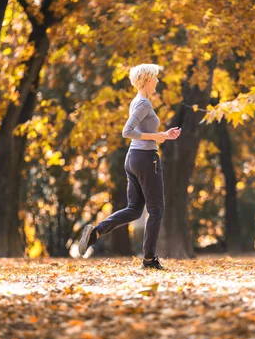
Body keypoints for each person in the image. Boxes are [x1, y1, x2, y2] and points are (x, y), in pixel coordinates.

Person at [77, 64, 181, 269]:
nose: (158, 82)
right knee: (156, 209)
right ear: (148, 80)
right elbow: (127, 131)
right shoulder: (143, 104)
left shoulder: (137, 102)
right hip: (145, 159)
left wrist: (165, 135)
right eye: (156, 78)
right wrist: (156, 137)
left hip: (134, 158)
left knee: (134, 210)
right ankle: (149, 259)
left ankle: (96, 232)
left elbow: (139, 130)